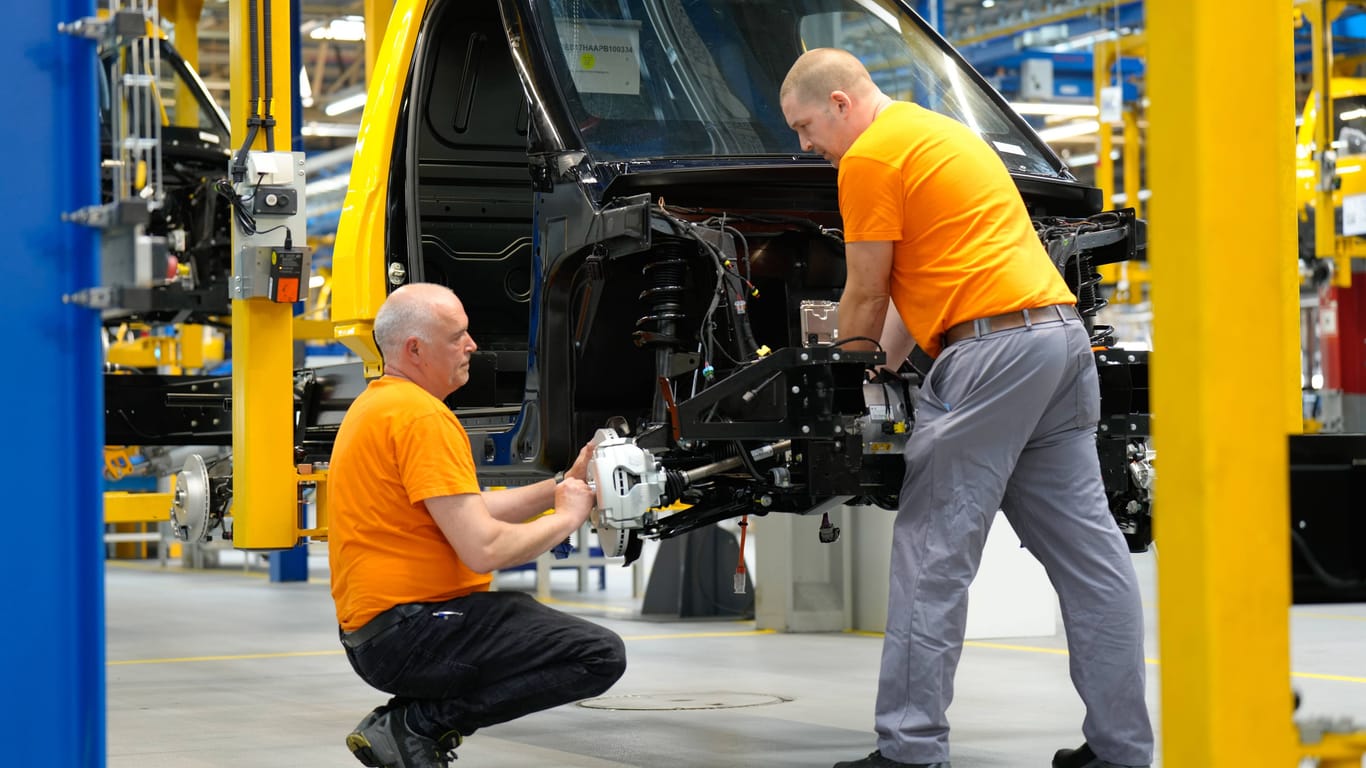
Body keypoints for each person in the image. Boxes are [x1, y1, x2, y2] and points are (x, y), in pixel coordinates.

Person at [779, 49, 1153, 768]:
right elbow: (897, 295)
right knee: (1092, 560)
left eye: (804, 127)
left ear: (839, 103)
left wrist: (836, 387)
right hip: (1058, 342)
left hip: (991, 353)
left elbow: (862, 291)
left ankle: (911, 749)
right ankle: (1122, 749)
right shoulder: (936, 132)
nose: (805, 146)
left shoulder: (869, 159)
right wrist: (877, 368)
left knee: (931, 557)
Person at [328, 282, 627, 768]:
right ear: (415, 349)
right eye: (457, 336)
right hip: (413, 632)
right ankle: (417, 725)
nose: (472, 346)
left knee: (514, 612)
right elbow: (484, 548)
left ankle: (407, 724)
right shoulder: (423, 419)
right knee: (598, 655)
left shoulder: (379, 406)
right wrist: (567, 518)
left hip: (378, 635)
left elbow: (472, 511)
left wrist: (559, 488)